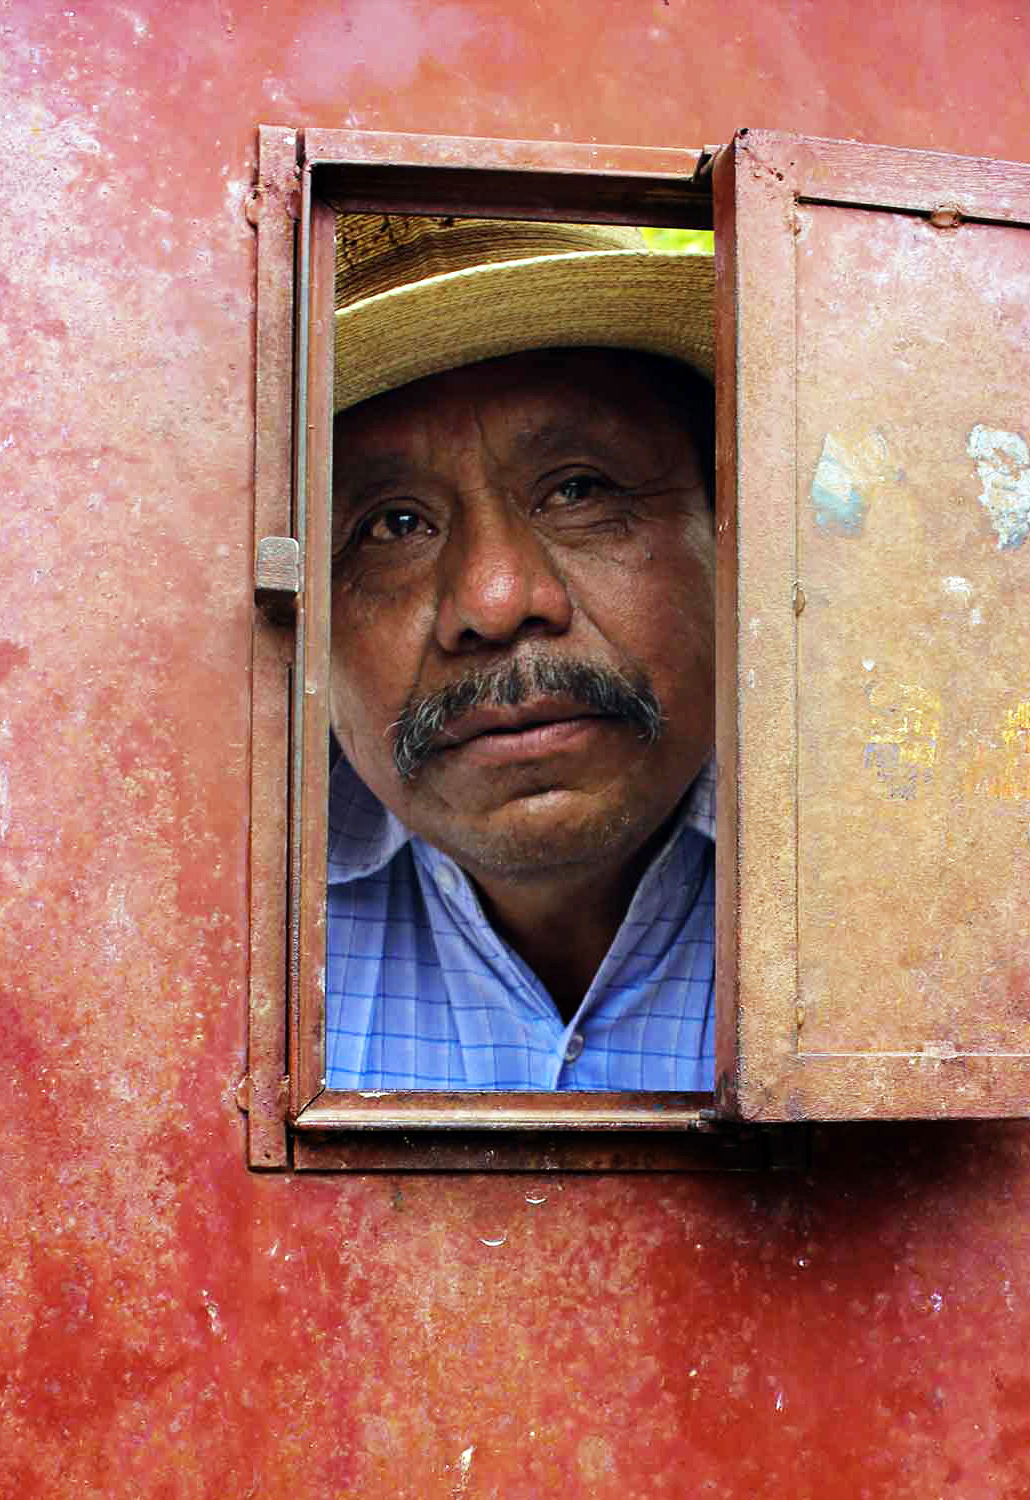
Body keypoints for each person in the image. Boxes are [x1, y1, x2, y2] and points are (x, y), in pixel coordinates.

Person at [322, 214, 716, 1092]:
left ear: (730, 534)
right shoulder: (208, 938)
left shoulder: (913, 900)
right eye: (393, 526)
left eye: (579, 489)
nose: (497, 603)